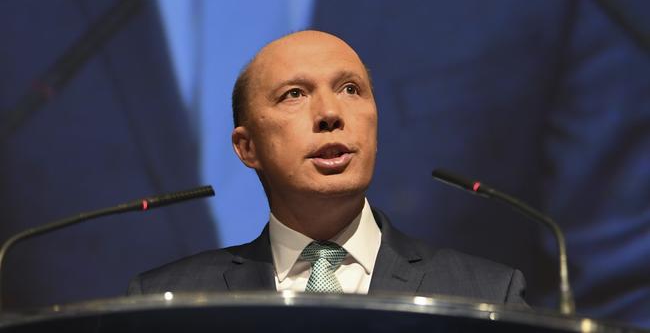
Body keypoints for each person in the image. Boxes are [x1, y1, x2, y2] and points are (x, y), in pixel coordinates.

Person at [128, 30, 526, 304]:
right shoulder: (169, 302)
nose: (331, 113)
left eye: (350, 89)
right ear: (247, 148)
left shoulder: (485, 294)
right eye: (295, 94)